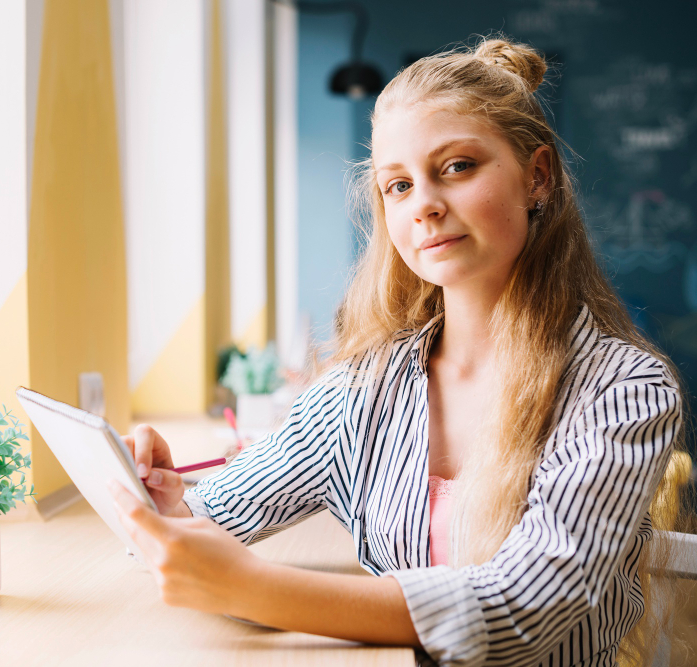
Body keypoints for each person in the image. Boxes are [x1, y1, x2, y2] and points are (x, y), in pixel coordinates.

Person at [107, 35, 688, 666]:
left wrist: (255, 589)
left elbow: (529, 606)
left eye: (458, 167)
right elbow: (219, 514)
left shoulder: (623, 388)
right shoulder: (364, 385)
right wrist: (158, 495)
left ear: (537, 177)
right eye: (398, 186)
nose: (426, 206)